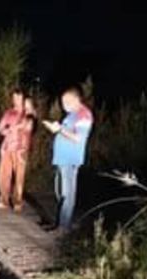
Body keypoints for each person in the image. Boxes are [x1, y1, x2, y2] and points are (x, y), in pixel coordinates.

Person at [42, 88, 94, 231]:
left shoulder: (84, 115)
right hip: (63, 159)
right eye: (62, 101)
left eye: (66, 101)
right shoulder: (72, 115)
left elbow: (78, 138)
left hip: (70, 159)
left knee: (67, 193)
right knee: (62, 192)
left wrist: (59, 129)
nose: (63, 104)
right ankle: (61, 223)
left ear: (76, 100)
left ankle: (63, 227)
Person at [0, 90, 36, 211]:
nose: (16, 101)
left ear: (23, 99)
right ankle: (3, 200)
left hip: (21, 149)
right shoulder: (9, 112)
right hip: (7, 147)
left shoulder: (28, 113)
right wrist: (6, 130)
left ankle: (17, 202)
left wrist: (15, 127)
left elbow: (29, 126)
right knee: (3, 175)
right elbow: (1, 128)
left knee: (19, 177)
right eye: (14, 98)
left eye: (19, 98)